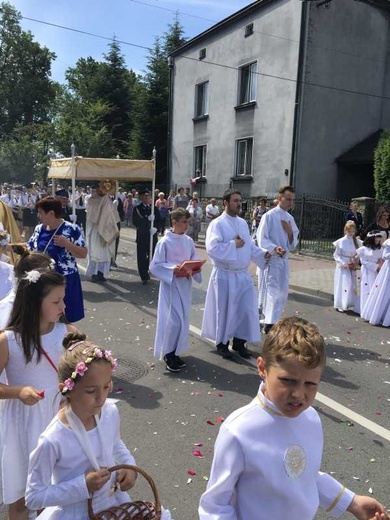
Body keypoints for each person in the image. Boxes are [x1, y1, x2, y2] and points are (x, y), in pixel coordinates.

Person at [199, 317, 387, 520]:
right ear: (262, 368)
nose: (299, 393)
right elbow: (215, 506)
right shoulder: (238, 431)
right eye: (288, 381)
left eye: (310, 384)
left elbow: (306, 477)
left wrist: (352, 502)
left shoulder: (311, 418)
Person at [25, 333, 135, 519]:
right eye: (91, 391)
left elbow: (115, 443)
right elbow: (33, 497)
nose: (101, 397)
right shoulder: (53, 439)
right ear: (66, 389)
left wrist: (129, 465)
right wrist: (82, 486)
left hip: (112, 504)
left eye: (107, 387)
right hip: (74, 513)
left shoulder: (109, 412)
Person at [0, 268, 77, 520]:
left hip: (58, 419)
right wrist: (17, 391)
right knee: (21, 496)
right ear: (34, 303)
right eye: (56, 301)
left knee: (54, 493)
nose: (63, 306)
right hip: (22, 423)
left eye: (63, 299)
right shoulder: (8, 340)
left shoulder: (67, 334)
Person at [201, 189, 269, 359]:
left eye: (240, 200)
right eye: (235, 201)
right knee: (224, 311)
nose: (239, 204)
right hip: (225, 275)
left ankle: (239, 343)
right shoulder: (217, 224)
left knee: (245, 310)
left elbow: (249, 246)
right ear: (225, 203)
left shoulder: (242, 223)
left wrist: (262, 253)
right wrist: (233, 245)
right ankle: (222, 343)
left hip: (242, 275)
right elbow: (212, 248)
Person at [150, 208, 203, 372]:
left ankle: (175, 352)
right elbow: (155, 266)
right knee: (172, 322)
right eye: (184, 222)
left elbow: (193, 257)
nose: (187, 225)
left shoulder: (188, 241)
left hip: (184, 285)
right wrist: (173, 268)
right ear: (174, 223)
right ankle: (167, 353)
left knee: (182, 321)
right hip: (171, 286)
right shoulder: (164, 242)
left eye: (188, 222)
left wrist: (194, 267)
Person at [26, 197, 87, 323]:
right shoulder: (39, 229)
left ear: (52, 213)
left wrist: (67, 244)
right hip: (44, 280)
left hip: (65, 281)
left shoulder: (71, 229)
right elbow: (28, 247)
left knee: (64, 319)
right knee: (44, 319)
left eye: (41, 213)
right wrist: (6, 246)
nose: (38, 216)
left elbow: (83, 253)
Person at [257, 186, 299, 334]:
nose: (290, 203)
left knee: (281, 292)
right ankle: (266, 321)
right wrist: (275, 248)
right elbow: (262, 239)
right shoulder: (269, 216)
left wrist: (289, 232)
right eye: (288, 199)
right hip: (272, 260)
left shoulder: (290, 218)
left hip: (283, 261)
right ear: (279, 198)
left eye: (292, 200)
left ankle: (274, 320)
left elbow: (294, 243)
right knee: (270, 291)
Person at [85, 187, 118, 283]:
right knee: (95, 253)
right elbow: (92, 215)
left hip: (106, 229)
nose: (102, 191)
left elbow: (111, 215)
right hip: (95, 230)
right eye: (100, 189)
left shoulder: (108, 199)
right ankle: (94, 274)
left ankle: (101, 273)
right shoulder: (92, 200)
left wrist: (113, 207)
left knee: (104, 254)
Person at [333, 221, 362, 314]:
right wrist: (342, 263)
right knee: (343, 284)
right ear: (345, 230)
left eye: (353, 231)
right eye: (350, 231)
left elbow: (359, 253)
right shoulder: (341, 241)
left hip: (352, 265)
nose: (351, 233)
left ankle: (350, 302)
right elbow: (336, 255)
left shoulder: (356, 241)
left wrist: (356, 260)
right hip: (344, 266)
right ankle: (341, 304)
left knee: (352, 285)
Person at [361, 236, 390, 327]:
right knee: (384, 292)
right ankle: (380, 314)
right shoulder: (388, 242)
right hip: (388, 270)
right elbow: (385, 256)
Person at [132, 188, 159, 284]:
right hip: (142, 236)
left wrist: (156, 228)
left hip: (152, 235)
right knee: (142, 257)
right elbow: (135, 222)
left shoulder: (154, 208)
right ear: (141, 198)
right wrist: (147, 219)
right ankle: (144, 276)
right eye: (144, 197)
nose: (146, 198)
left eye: (148, 196)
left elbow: (159, 220)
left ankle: (147, 268)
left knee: (153, 255)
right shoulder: (137, 209)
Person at [356, 231, 383, 315]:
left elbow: (381, 259)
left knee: (374, 289)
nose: (378, 242)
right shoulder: (363, 249)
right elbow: (363, 262)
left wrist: (380, 265)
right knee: (366, 289)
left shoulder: (380, 249)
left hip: (376, 273)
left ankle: (372, 310)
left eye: (379, 241)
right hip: (367, 271)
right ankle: (364, 309)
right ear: (371, 239)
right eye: (376, 241)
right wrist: (376, 266)